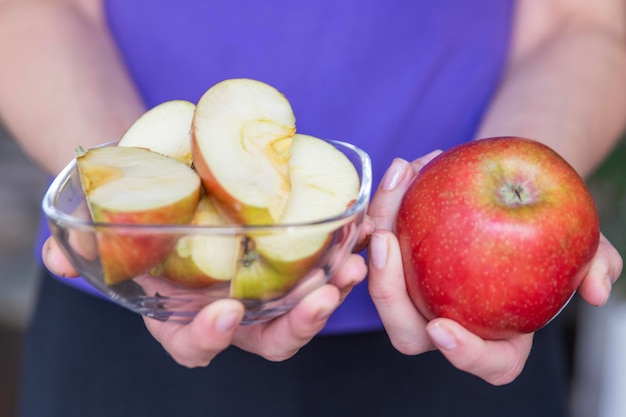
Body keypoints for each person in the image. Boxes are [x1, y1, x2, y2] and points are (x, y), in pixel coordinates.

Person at [0, 0, 624, 416]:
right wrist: (133, 215)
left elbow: (582, 21)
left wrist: (532, 208)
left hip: (467, 322)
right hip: (137, 306)